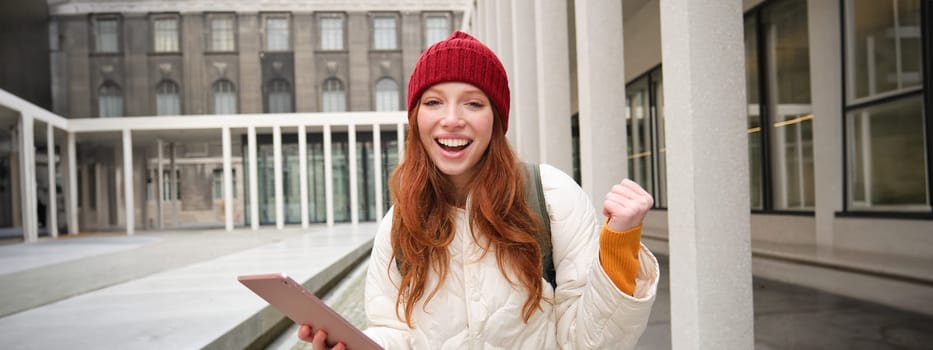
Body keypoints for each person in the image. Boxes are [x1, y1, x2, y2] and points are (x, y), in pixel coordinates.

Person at [299, 31, 659, 349]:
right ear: (416, 119)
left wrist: (619, 247)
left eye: (473, 103)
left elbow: (589, 341)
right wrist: (354, 344)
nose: (452, 119)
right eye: (434, 102)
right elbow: (397, 332)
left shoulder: (550, 196)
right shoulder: (399, 222)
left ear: (496, 121)